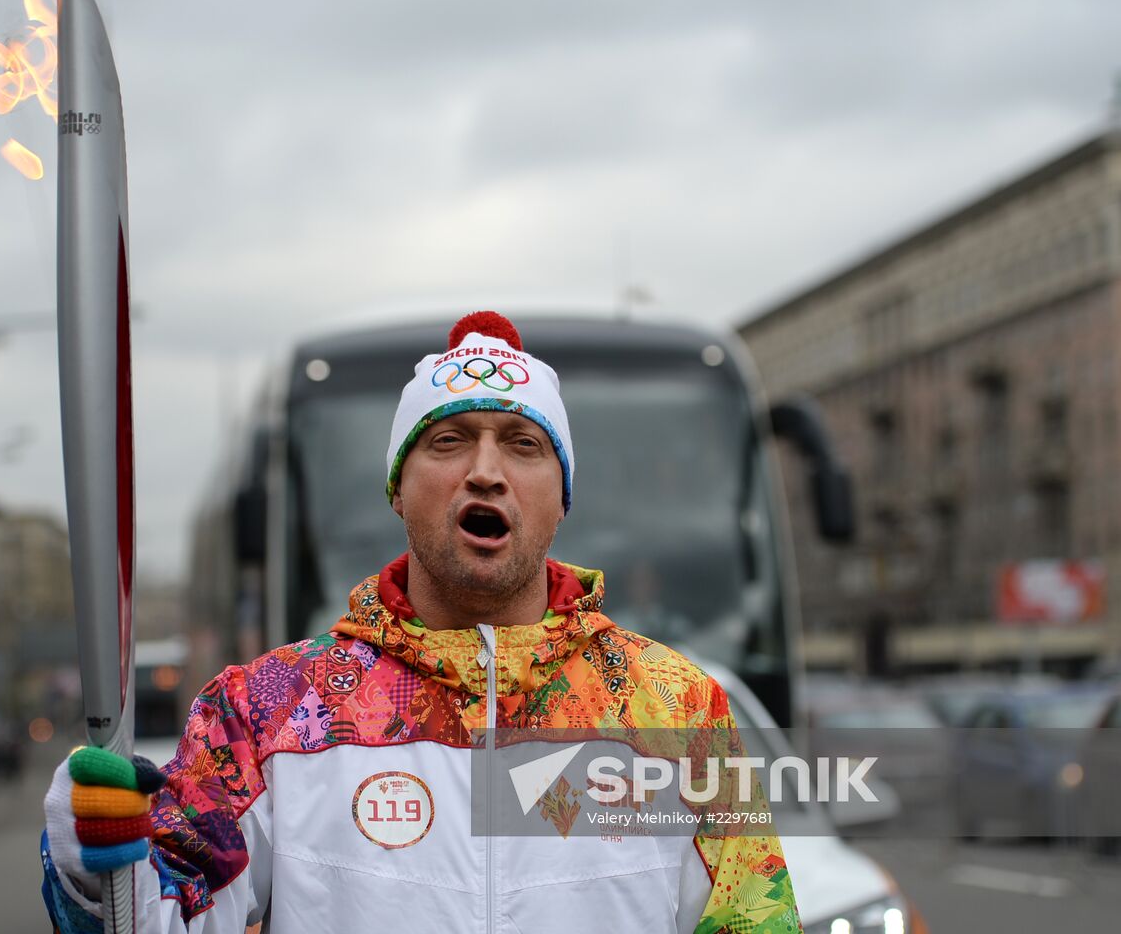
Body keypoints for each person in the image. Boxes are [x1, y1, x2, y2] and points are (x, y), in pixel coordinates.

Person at [42, 311, 801, 934]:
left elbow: (752, 920)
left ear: (560, 497)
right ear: (398, 491)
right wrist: (96, 863)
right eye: (447, 440)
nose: (484, 469)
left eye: (523, 444)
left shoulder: (674, 709)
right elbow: (159, 920)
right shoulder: (269, 709)